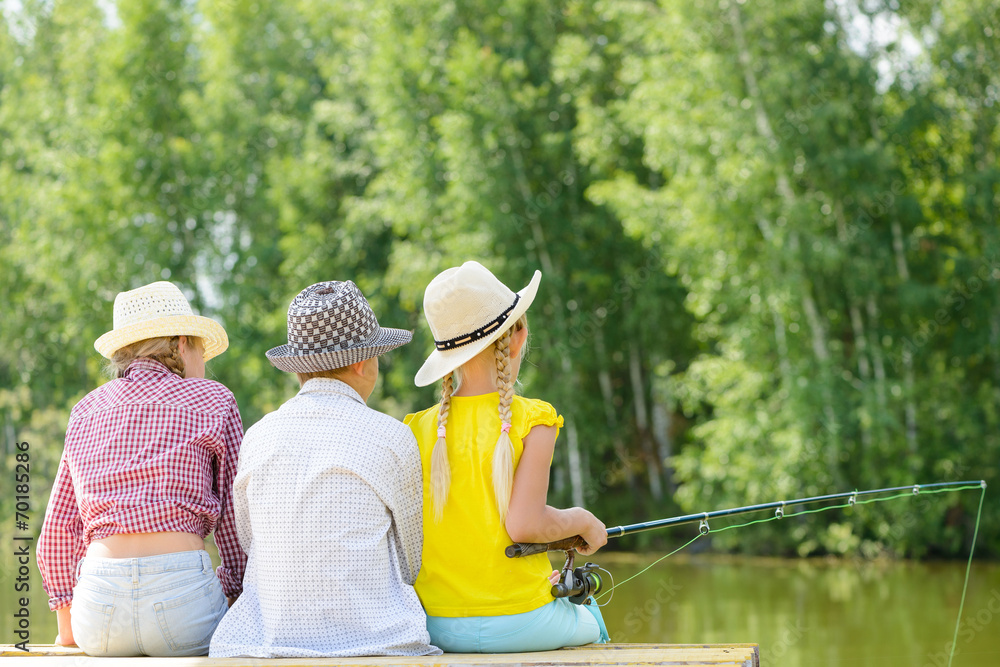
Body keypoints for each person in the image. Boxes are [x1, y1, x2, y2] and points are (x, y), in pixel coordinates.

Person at [209, 280, 440, 658]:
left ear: (298, 369)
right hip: (377, 641)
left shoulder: (258, 436)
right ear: (363, 361)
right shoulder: (392, 436)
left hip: (267, 641)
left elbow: (251, 543)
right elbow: (410, 559)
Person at [404, 261, 610, 653]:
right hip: (523, 622)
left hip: (435, 625)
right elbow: (525, 526)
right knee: (592, 614)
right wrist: (582, 520)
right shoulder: (535, 419)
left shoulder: (416, 430)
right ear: (518, 338)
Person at [36, 280, 246, 657]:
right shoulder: (215, 399)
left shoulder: (86, 409)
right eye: (200, 349)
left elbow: (57, 529)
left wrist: (68, 626)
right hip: (183, 600)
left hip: (98, 611)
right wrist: (234, 598)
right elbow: (235, 521)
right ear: (182, 343)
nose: (204, 362)